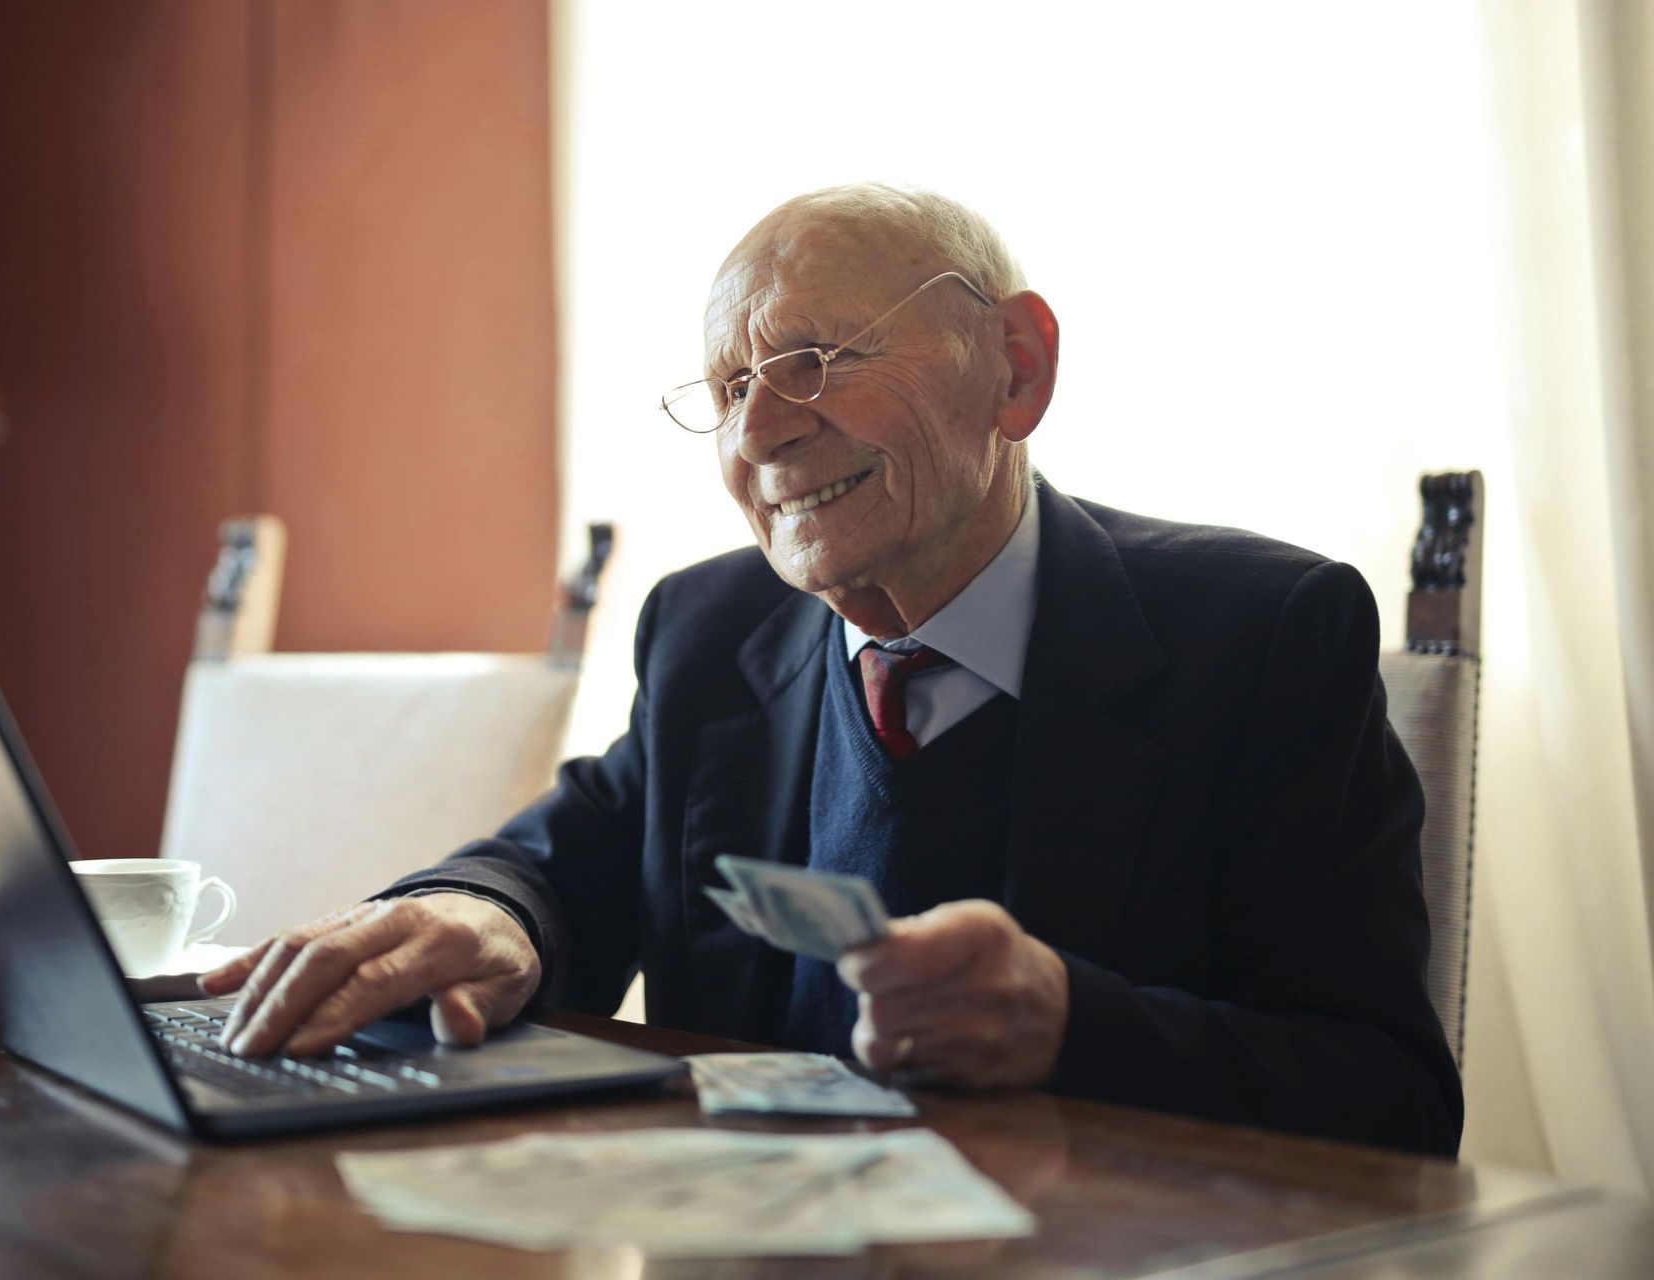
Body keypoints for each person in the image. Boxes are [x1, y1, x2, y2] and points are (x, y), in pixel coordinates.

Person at [203, 184, 1464, 1157]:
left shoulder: (1263, 634)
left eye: (813, 359)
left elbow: (1394, 1099)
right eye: (731, 385)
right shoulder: (710, 629)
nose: (759, 430)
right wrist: (487, 916)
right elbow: (562, 856)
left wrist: (1074, 1025)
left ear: (1014, 370)